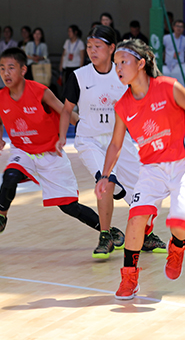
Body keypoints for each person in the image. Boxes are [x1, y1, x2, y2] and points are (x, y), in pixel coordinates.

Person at [95, 39, 185, 300]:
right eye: (116, 64)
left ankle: (177, 246)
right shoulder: (122, 106)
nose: (118, 68)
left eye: (123, 62)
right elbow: (115, 144)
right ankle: (129, 278)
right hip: (152, 168)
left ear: (141, 63)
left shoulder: (168, 87)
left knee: (180, 221)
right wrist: (105, 176)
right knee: (136, 218)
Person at [0, 47, 115, 257]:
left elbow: (65, 111)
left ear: (23, 70)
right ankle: (1, 217)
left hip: (51, 153)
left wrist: (89, 132)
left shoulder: (40, 92)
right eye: (2, 68)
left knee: (69, 207)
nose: (6, 73)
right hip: (23, 150)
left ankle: (107, 231)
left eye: (11, 68)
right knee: (10, 175)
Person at [57, 26, 165, 258]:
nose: (92, 51)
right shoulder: (79, 76)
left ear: (112, 48)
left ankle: (145, 234)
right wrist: (62, 137)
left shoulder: (124, 75)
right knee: (105, 181)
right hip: (90, 141)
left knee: (146, 191)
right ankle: (105, 236)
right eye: (89, 46)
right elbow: (66, 110)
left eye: (98, 46)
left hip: (120, 141)